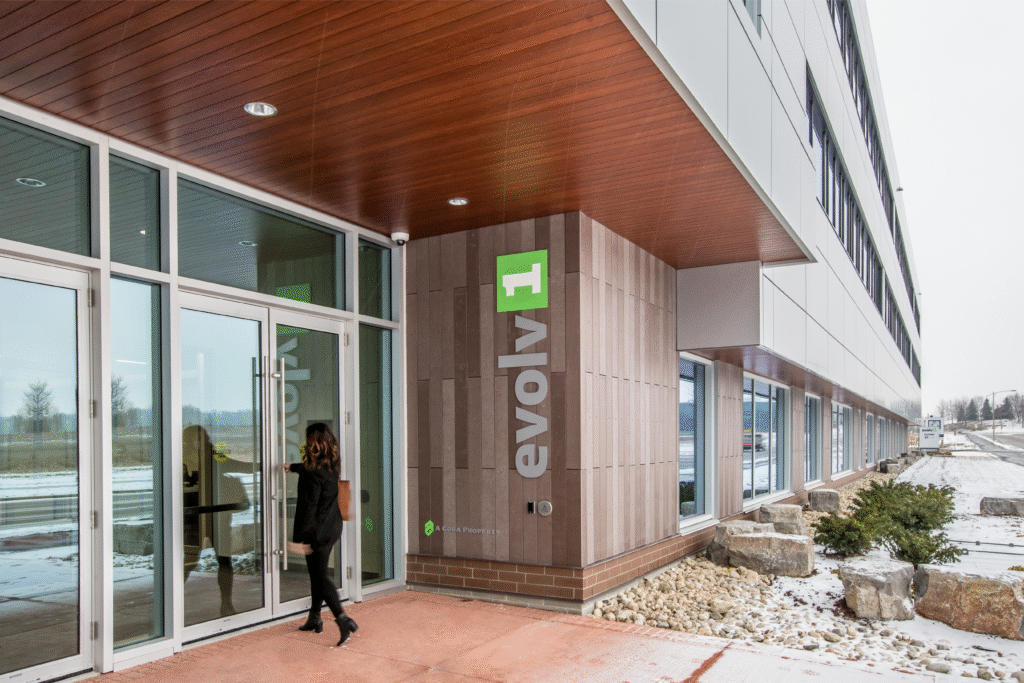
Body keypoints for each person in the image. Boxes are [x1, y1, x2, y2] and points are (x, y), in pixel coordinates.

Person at [283, 422, 358, 645]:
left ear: (312, 443)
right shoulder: (331, 466)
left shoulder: (312, 474)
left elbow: (309, 508)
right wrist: (291, 467)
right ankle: (315, 618)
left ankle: (342, 619)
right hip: (332, 528)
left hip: (316, 532)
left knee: (319, 578)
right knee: (319, 574)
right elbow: (308, 469)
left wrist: (300, 540)